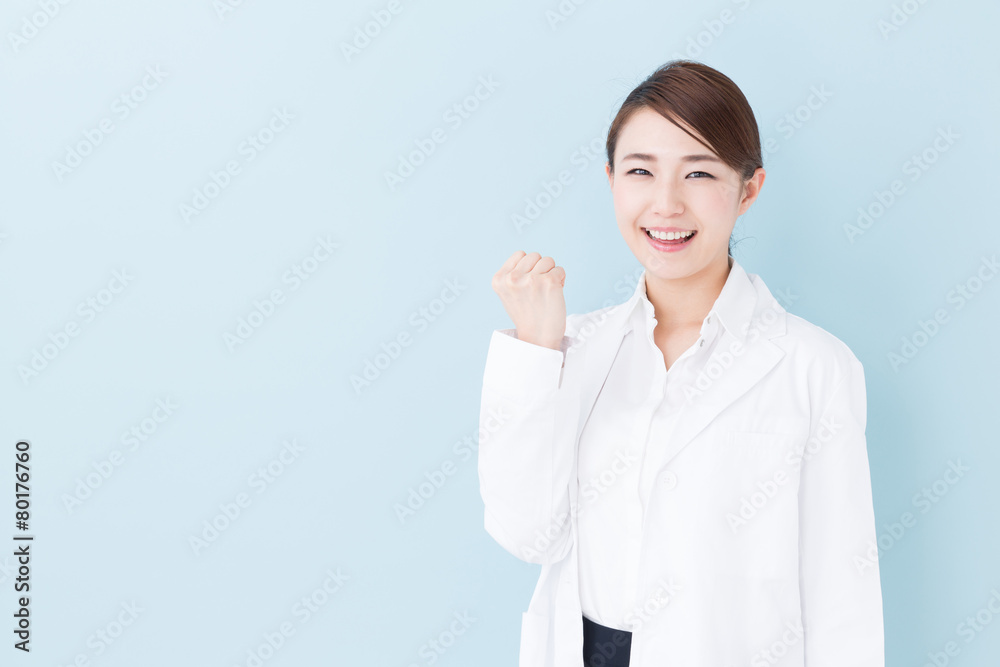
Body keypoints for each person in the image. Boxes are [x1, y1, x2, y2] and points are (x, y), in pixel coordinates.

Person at [477, 60, 884, 666]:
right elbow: (527, 534)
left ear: (748, 190)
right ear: (612, 179)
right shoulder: (572, 351)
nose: (665, 204)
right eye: (641, 171)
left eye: (698, 173)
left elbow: (841, 596)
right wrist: (536, 349)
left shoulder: (813, 366)